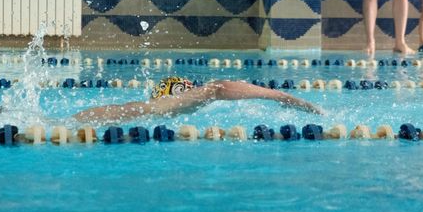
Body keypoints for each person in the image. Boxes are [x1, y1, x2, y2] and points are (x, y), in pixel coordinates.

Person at [74, 77, 324, 124]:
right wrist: (282, 96)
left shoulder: (162, 113)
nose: (194, 89)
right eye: (185, 87)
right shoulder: (161, 107)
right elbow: (219, 87)